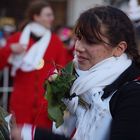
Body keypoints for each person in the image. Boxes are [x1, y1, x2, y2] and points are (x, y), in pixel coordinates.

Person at [11, 5, 140, 140]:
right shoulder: (81, 82)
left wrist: (33, 135)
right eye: (78, 38)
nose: (78, 47)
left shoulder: (133, 94)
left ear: (119, 49)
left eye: (90, 41)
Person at [0, 0, 68, 129]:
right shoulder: (17, 38)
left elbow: (62, 70)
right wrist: (10, 49)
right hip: (21, 103)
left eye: (52, 15)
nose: (52, 18)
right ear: (36, 17)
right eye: (48, 15)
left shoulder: (56, 42)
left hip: (45, 105)